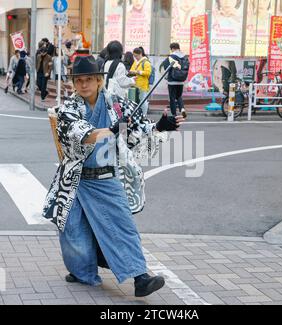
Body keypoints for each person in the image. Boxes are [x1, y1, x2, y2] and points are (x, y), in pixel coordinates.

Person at [42, 55, 185, 297]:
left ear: (99, 81)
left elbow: (136, 131)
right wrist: (111, 129)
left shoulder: (117, 104)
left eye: (89, 79)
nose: (84, 85)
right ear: (74, 83)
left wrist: (161, 126)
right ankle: (81, 271)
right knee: (73, 231)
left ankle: (140, 277)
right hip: (75, 180)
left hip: (106, 178)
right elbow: (80, 134)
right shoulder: (69, 108)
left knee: (122, 226)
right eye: (79, 81)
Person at [162, 43, 188, 118]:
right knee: (179, 96)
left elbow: (166, 67)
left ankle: (174, 114)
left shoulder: (171, 57)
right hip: (181, 80)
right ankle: (182, 109)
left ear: (172, 48)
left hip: (172, 81)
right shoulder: (184, 57)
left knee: (172, 97)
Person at [130, 48, 152, 117]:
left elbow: (148, 73)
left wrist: (138, 72)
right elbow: (132, 69)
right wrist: (132, 72)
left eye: (136, 56)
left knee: (143, 101)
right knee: (136, 101)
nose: (135, 57)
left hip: (143, 85)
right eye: (134, 56)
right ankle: (138, 115)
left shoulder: (146, 62)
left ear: (140, 54)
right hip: (135, 84)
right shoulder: (136, 62)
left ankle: (144, 115)